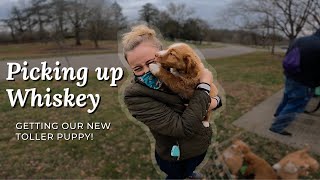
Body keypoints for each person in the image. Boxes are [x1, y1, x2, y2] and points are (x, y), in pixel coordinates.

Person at [121, 25, 222, 179]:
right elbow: (181, 128)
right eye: (138, 68)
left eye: (150, 62)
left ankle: (189, 174)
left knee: (189, 170)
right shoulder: (135, 96)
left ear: (162, 55)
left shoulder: (179, 74)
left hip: (200, 145)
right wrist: (203, 86)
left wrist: (215, 102)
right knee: (176, 175)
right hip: (175, 157)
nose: (147, 71)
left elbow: (215, 99)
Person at [269, 29, 320, 136]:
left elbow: (288, 55)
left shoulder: (300, 40)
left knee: (287, 98)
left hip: (290, 76)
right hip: (305, 82)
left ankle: (278, 114)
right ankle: (277, 127)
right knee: (295, 105)